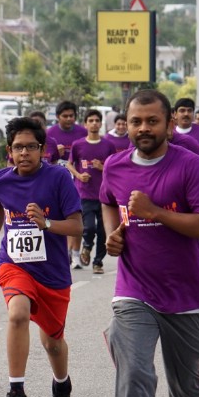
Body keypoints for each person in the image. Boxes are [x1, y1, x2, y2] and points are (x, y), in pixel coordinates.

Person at [99, 90, 199, 397]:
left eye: (152, 121)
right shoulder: (114, 166)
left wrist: (157, 211)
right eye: (136, 122)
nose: (144, 129)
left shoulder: (189, 166)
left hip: (185, 297)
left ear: (169, 124)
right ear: (126, 124)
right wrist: (115, 234)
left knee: (185, 389)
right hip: (134, 291)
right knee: (133, 374)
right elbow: (108, 204)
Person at [0, 117, 83, 397]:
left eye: (31, 147)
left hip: (53, 273)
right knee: (18, 313)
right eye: (18, 147)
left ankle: (62, 386)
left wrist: (46, 223)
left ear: (43, 149)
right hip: (14, 264)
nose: (24, 153)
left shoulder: (59, 179)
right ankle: (16, 392)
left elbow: (77, 225)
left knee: (52, 343)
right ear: (9, 150)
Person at [67, 109, 116, 274]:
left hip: (104, 195)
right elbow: (69, 164)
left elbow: (114, 169)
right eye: (91, 120)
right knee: (88, 227)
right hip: (84, 193)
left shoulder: (108, 145)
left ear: (101, 124)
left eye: (97, 120)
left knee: (103, 231)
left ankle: (98, 262)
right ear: (85, 124)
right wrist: (79, 176)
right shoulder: (78, 145)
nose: (94, 123)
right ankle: (87, 246)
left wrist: (102, 168)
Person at [46, 101, 88, 268]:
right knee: (59, 217)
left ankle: (75, 253)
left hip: (78, 179)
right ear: (57, 117)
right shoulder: (51, 134)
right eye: (65, 116)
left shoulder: (82, 132)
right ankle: (64, 251)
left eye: (72, 116)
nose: (69, 119)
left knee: (75, 215)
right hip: (58, 180)